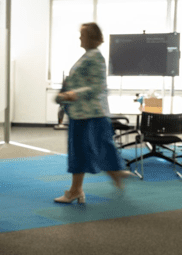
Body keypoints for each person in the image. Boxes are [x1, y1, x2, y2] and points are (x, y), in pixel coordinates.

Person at [54, 22, 131, 204]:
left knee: (85, 150)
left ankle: (81, 188)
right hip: (81, 113)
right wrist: (65, 94)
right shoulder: (88, 56)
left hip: (89, 114)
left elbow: (97, 87)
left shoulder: (95, 57)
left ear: (92, 37)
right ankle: (81, 188)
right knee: (81, 151)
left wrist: (73, 94)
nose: (80, 38)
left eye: (83, 35)